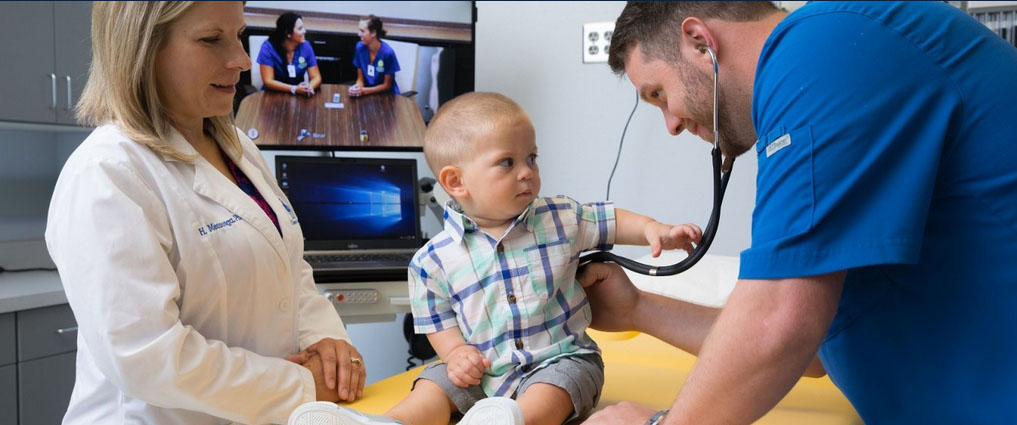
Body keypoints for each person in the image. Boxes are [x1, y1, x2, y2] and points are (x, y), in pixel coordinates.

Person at [578, 1, 1017, 424]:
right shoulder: (831, 61)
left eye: (658, 94)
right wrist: (638, 309)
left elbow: (781, 319)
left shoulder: (822, 48)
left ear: (700, 42)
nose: (671, 124)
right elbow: (811, 346)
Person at [286, 92, 703, 425]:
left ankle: (514, 421)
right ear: (456, 182)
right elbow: (437, 321)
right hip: (483, 368)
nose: (526, 172)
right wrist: (455, 354)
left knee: (555, 390)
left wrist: (653, 229)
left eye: (531, 158)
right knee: (434, 383)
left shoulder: (559, 217)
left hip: (559, 357)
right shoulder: (433, 260)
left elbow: (610, 220)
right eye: (507, 162)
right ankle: (392, 422)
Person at [46, 2, 366, 424]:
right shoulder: (107, 173)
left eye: (238, 35)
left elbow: (289, 269)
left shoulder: (237, 146)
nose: (242, 60)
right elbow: (146, 356)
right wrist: (301, 385)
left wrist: (327, 345)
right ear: (142, 48)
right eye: (211, 39)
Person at [258, 11, 321, 96]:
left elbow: (316, 77)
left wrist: (309, 87)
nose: (304, 31)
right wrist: (294, 89)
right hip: (272, 95)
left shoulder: (306, 47)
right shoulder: (268, 48)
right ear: (288, 33)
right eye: (300, 29)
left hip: (299, 95)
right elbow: (268, 81)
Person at [348, 14, 401, 97]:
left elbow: (387, 86)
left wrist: (364, 91)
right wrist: (357, 88)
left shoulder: (387, 53)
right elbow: (360, 79)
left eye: (362, 31)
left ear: (373, 33)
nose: (359, 34)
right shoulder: (359, 48)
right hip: (368, 94)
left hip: (387, 96)